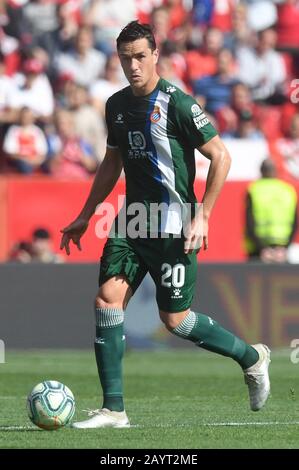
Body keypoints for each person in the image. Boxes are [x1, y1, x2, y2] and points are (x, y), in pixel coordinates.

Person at [60, 21, 271, 429]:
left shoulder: (177, 103)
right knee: (106, 300)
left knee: (175, 320)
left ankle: (251, 357)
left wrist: (204, 215)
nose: (133, 66)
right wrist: (87, 213)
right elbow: (112, 162)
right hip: (133, 222)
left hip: (175, 223)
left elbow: (221, 156)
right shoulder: (116, 105)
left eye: (140, 56)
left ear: (155, 55)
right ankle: (114, 409)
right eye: (125, 59)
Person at [245, 158, 298, 262]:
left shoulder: (254, 189)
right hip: (281, 251)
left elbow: (249, 222)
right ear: (276, 171)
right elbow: (295, 223)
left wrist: (262, 249)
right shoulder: (288, 190)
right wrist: (285, 248)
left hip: (258, 251)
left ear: (261, 171)